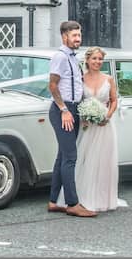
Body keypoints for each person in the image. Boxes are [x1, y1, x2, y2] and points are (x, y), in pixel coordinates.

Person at [47, 21, 97, 217]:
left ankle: (53, 201)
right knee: (70, 157)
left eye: (79, 35)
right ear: (64, 36)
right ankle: (72, 204)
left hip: (74, 109)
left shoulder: (73, 57)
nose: (78, 39)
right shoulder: (60, 57)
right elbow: (52, 86)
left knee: (62, 157)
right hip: (63, 111)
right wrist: (64, 110)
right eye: (74, 35)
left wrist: (81, 110)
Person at [74, 46, 124, 212]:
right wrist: (85, 116)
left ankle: (103, 198)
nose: (97, 62)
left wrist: (107, 116)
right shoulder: (81, 78)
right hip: (87, 125)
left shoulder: (108, 79)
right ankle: (83, 197)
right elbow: (78, 100)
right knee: (85, 160)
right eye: (94, 58)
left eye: (100, 59)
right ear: (88, 60)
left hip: (104, 126)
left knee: (104, 162)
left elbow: (114, 100)